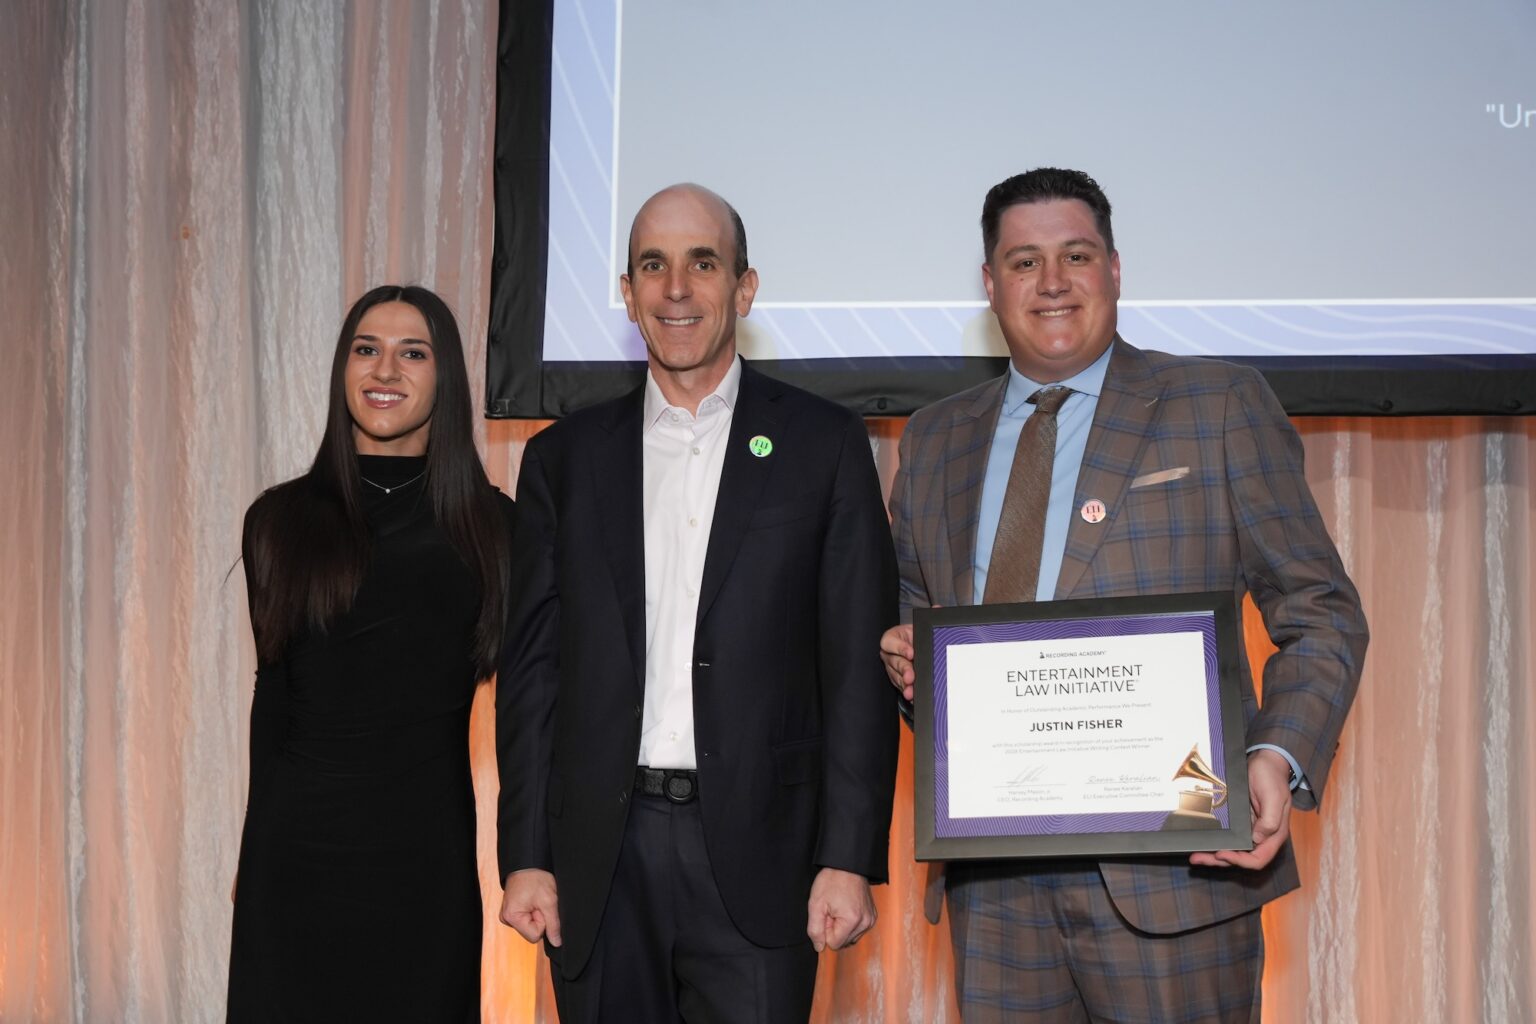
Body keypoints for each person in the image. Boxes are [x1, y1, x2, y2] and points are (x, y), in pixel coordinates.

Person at [879, 168, 1368, 1022]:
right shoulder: (935, 441)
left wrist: (1275, 756)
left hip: (1178, 879)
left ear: (1115, 268)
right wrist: (906, 660)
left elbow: (1321, 610)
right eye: (1024, 262)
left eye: (1076, 255)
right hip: (996, 898)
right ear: (990, 285)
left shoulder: (1214, 404)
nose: (1053, 281)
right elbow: (914, 616)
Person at [496, 183, 898, 1022]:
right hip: (600, 862)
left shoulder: (823, 445)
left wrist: (849, 856)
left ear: (744, 289)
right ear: (627, 292)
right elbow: (532, 675)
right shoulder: (562, 461)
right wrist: (526, 855)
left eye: (702, 263)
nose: (676, 288)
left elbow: (856, 667)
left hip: (765, 858)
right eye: (654, 265)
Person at [227, 285, 513, 1022]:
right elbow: (275, 697)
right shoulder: (279, 521)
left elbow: (532, 712)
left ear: (444, 377)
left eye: (412, 352)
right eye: (366, 349)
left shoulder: (494, 529)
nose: (385, 370)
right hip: (295, 863)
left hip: (428, 865)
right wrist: (253, 856)